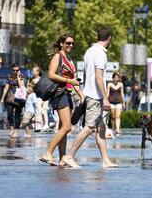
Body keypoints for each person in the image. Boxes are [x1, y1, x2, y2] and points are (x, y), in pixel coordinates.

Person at [61, 26, 117, 168]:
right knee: (90, 127)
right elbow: (99, 77)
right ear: (109, 38)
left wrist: (83, 91)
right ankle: (69, 156)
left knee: (101, 128)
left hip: (90, 93)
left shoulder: (89, 52)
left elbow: (86, 74)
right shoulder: (101, 54)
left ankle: (105, 160)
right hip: (95, 96)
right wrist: (105, 98)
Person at [40, 34, 82, 166]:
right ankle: (47, 153)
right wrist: (69, 80)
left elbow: (74, 81)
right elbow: (51, 74)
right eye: (68, 43)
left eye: (72, 43)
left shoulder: (69, 61)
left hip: (67, 94)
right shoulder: (58, 56)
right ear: (62, 44)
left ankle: (62, 158)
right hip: (59, 94)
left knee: (62, 127)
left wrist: (81, 95)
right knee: (67, 127)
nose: (70, 46)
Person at [0, 64, 26, 138]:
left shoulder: (22, 77)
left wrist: (18, 77)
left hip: (19, 99)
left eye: (16, 70)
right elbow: (6, 88)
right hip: (10, 98)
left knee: (18, 115)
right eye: (13, 70)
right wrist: (2, 98)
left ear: (19, 70)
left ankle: (15, 131)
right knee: (10, 114)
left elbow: (22, 86)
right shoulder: (10, 77)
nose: (15, 71)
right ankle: (11, 128)